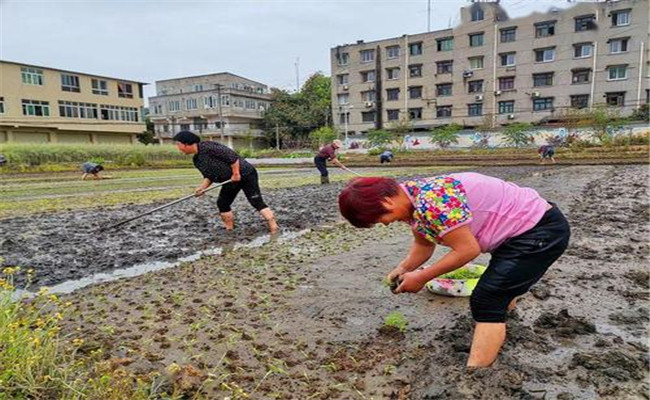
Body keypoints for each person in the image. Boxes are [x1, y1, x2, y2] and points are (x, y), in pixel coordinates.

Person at [338, 173, 570, 368]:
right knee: (499, 287)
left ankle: (475, 375)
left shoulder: (431, 201)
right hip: (518, 233)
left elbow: (468, 250)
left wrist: (421, 277)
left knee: (487, 298)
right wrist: (402, 269)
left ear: (387, 202)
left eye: (381, 218)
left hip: (538, 231)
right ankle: (499, 324)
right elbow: (423, 245)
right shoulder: (414, 198)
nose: (386, 223)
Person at [173, 130, 278, 234]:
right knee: (222, 203)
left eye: (178, 144)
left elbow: (232, 157)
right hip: (229, 180)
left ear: (186, 143)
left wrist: (236, 174)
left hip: (246, 174)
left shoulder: (208, 147)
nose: (177, 147)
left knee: (255, 201)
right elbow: (209, 176)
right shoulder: (197, 160)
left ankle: (274, 227)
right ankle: (229, 229)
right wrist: (202, 188)